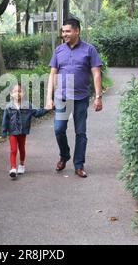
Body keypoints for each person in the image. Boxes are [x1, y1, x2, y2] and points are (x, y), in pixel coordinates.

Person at [46, 18, 103, 178]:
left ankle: (79, 165)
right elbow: (52, 75)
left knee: (81, 133)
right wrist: (48, 98)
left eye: (67, 31)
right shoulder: (58, 51)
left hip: (81, 98)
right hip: (62, 97)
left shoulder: (89, 50)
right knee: (59, 130)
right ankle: (64, 155)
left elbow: (96, 73)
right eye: (63, 31)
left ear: (77, 31)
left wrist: (98, 96)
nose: (64, 34)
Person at [2, 83, 49, 178]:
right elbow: (5, 120)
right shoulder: (8, 107)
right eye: (15, 91)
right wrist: (3, 131)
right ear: (11, 93)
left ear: (23, 93)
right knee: (13, 150)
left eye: (20, 91)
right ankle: (13, 168)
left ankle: (22, 165)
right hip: (12, 132)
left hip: (23, 131)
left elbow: (37, 113)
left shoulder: (28, 105)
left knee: (22, 149)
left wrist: (47, 109)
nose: (17, 93)